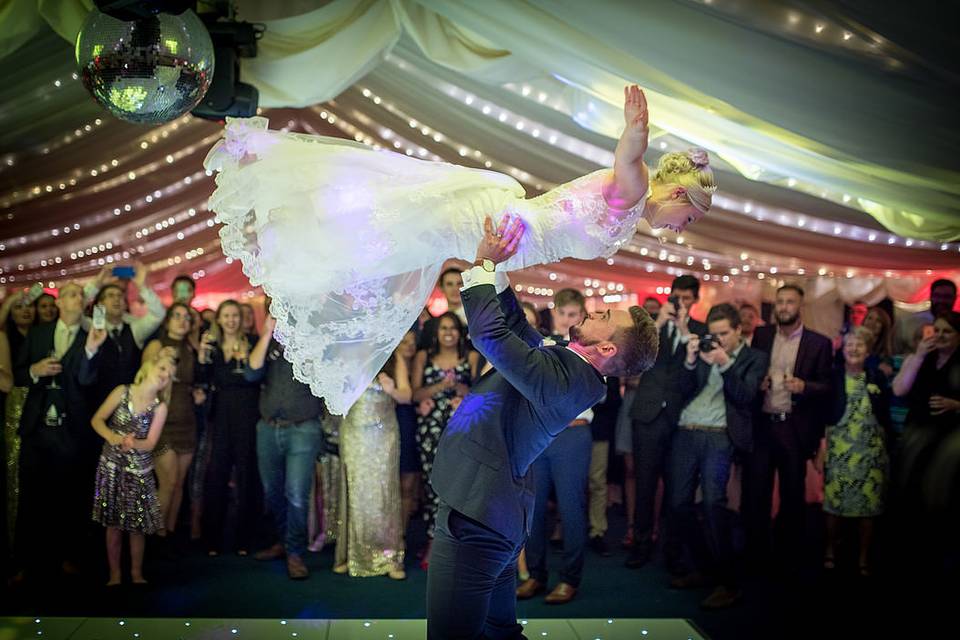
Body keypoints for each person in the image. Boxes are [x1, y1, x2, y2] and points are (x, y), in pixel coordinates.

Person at [205, 85, 715, 415]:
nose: (681, 227)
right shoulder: (635, 188)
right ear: (676, 194)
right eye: (688, 216)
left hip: (513, 238)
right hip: (511, 229)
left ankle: (279, 220)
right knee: (390, 225)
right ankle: (274, 202)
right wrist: (635, 134)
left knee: (394, 231)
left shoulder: (634, 209)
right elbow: (629, 162)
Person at [426, 215, 659, 639]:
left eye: (604, 314)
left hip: (477, 513)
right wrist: (497, 270)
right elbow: (517, 329)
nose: (595, 309)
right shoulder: (572, 368)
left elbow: (489, 334)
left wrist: (480, 264)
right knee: (500, 631)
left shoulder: (569, 382)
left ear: (607, 348)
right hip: (493, 511)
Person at [670, 303, 766, 609]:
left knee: (714, 503)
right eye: (714, 334)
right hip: (687, 429)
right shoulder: (703, 351)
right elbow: (680, 390)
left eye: (724, 333)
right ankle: (704, 568)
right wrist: (689, 360)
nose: (718, 340)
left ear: (739, 330)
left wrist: (724, 363)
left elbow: (746, 397)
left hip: (720, 435)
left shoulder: (754, 358)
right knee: (679, 504)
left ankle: (728, 582)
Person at [13, 283, 107, 581]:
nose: (77, 298)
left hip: (73, 429)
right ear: (60, 302)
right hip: (37, 428)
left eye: (81, 295)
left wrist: (91, 349)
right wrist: (34, 371)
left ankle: (70, 557)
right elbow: (17, 373)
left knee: (72, 495)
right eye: (71, 294)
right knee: (32, 496)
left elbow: (87, 379)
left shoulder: (92, 335)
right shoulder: (39, 333)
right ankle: (27, 561)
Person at [744, 284, 832, 573]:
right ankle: (757, 555)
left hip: (794, 428)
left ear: (800, 306)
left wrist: (805, 386)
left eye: (789, 302)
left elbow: (828, 387)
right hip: (763, 425)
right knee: (757, 493)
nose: (783, 307)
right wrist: (758, 384)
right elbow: (751, 374)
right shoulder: (762, 335)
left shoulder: (819, 343)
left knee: (792, 496)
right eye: (779, 302)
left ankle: (787, 556)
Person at [517, 289, 596, 605]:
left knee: (571, 508)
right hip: (540, 434)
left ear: (582, 316)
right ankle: (536, 575)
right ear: (555, 314)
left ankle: (569, 579)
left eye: (573, 314)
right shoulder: (542, 345)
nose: (567, 320)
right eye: (563, 314)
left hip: (574, 435)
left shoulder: (591, 350)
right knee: (533, 509)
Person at [625, 274, 706, 572]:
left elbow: (694, 378)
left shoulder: (698, 331)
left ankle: (673, 552)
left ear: (695, 300)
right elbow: (632, 356)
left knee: (677, 491)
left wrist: (684, 332)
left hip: (679, 419)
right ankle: (641, 546)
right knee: (644, 487)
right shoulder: (651, 325)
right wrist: (658, 323)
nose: (680, 303)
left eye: (686, 298)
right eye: (676, 297)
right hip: (646, 415)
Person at [90, 355, 173, 585]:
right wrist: (113, 437)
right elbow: (97, 419)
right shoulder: (122, 391)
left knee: (136, 526)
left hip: (139, 470)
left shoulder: (160, 407)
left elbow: (151, 443)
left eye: (169, 374)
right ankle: (115, 574)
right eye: (162, 368)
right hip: (112, 466)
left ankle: (136, 573)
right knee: (113, 524)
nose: (165, 375)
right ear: (148, 367)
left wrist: (133, 444)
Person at [818, 327, 890, 577]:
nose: (854, 349)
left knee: (869, 506)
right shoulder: (833, 376)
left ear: (868, 351)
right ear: (842, 349)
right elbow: (823, 416)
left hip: (870, 451)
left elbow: (886, 414)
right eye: (850, 344)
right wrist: (821, 448)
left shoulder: (877, 377)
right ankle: (829, 549)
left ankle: (863, 555)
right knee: (834, 504)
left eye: (860, 345)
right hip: (839, 449)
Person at [333, 346, 411, 580]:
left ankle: (390, 558)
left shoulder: (392, 355)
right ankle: (350, 554)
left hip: (383, 434)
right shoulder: (345, 354)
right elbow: (332, 397)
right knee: (355, 490)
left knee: (383, 492)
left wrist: (392, 390)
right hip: (354, 432)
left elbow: (407, 396)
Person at [411, 311, 479, 567]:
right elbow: (415, 394)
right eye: (443, 328)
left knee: (461, 486)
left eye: (452, 328)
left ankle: (457, 543)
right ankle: (432, 541)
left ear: (460, 333)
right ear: (436, 333)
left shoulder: (470, 356)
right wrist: (441, 386)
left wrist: (462, 390)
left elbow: (482, 393)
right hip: (430, 428)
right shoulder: (423, 356)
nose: (448, 332)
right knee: (432, 486)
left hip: (461, 429)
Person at [198, 300, 261, 557]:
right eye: (227, 315)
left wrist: (246, 359)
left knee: (247, 475)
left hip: (247, 414)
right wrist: (202, 356)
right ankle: (212, 539)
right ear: (219, 319)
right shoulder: (211, 346)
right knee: (217, 475)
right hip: (221, 416)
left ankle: (244, 539)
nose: (232, 320)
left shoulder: (253, 343)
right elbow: (203, 378)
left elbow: (256, 376)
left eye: (235, 315)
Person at [142, 303, 203, 549]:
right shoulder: (156, 345)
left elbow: (196, 378)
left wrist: (197, 391)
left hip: (187, 418)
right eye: (176, 316)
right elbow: (144, 380)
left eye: (186, 317)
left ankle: (169, 532)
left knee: (179, 483)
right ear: (167, 321)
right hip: (162, 421)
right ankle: (152, 536)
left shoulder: (191, 346)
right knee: (166, 482)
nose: (181, 321)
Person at [894, 278, 956, 354]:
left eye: (947, 297)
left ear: (954, 298)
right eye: (937, 295)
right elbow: (895, 353)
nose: (941, 300)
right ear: (930, 297)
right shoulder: (908, 322)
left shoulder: (958, 323)